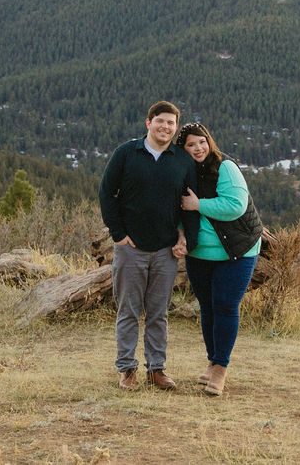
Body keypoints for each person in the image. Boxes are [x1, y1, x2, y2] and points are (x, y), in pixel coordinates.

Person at [99, 100, 199, 391]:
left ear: (175, 127)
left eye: (171, 123)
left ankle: (157, 369)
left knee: (158, 312)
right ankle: (127, 369)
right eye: (160, 121)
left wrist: (186, 240)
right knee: (128, 310)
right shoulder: (126, 154)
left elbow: (188, 205)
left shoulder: (182, 160)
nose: (165, 127)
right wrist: (118, 235)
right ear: (148, 123)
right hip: (131, 249)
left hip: (166, 251)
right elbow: (106, 193)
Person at [175, 122, 262, 396]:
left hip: (237, 249)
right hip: (201, 253)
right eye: (190, 144)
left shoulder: (225, 167)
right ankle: (213, 361)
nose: (197, 148)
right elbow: (175, 210)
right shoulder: (182, 173)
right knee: (207, 306)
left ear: (209, 141)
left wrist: (198, 204)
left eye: (201, 141)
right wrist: (179, 235)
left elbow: (235, 206)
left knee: (225, 304)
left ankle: (221, 368)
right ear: (183, 149)